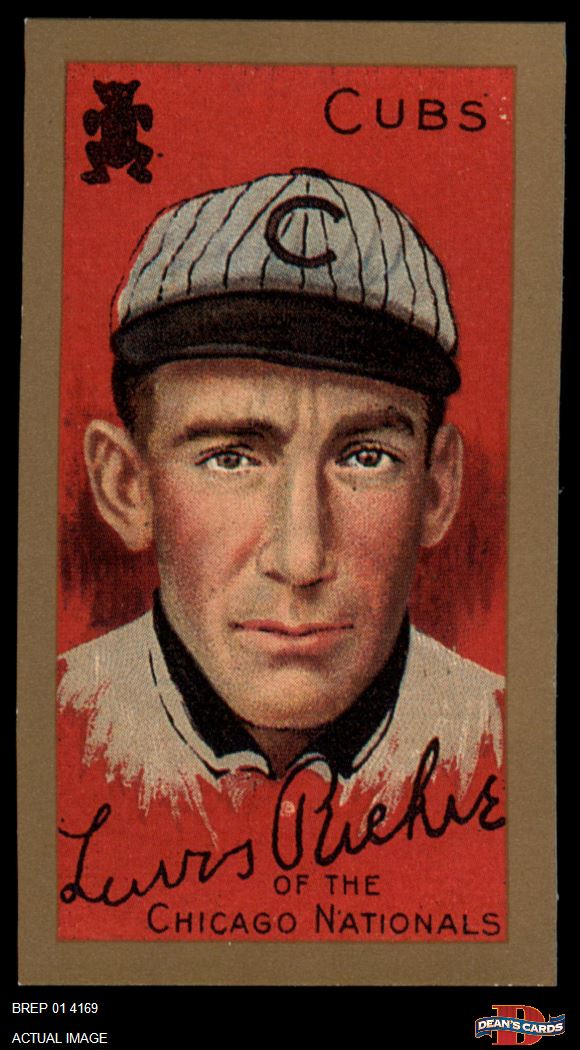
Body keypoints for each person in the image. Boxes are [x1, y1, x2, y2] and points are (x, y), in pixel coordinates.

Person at [58, 167, 504, 819]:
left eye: (366, 458)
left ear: (438, 490)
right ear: (126, 486)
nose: (301, 560)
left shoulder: (514, 743)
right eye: (231, 459)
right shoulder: (48, 728)